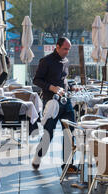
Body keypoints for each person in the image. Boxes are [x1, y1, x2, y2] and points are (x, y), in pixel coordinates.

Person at [31, 37, 78, 172]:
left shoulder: (66, 61)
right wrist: (51, 87)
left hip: (65, 100)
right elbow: (37, 80)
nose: (67, 52)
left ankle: (68, 163)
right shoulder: (45, 61)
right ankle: (38, 157)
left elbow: (62, 80)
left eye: (68, 49)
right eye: (65, 49)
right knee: (48, 133)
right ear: (57, 47)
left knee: (70, 132)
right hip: (51, 102)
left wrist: (71, 87)